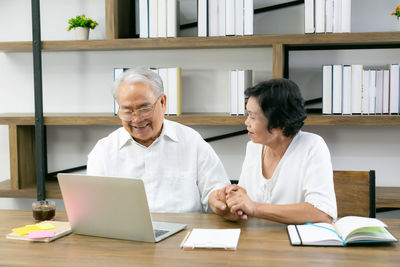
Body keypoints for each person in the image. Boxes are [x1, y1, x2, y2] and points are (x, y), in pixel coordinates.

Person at [87, 68, 230, 213]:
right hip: (125, 234)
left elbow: (216, 189)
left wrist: (218, 200)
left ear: (162, 102)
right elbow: (94, 208)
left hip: (184, 231)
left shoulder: (191, 141)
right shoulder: (103, 150)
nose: (136, 119)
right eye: (127, 111)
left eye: (144, 109)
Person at [210, 78, 337, 224]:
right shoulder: (253, 147)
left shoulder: (312, 146)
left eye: (252, 116)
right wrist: (229, 204)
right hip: (255, 242)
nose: (246, 122)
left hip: (294, 243)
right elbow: (245, 206)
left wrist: (255, 208)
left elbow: (322, 213)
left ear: (279, 124)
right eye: (247, 114)